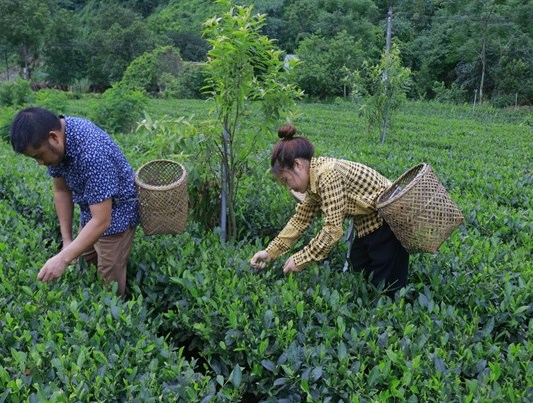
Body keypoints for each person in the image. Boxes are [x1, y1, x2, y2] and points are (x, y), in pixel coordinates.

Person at [250, 124, 409, 295]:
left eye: (286, 180)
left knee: (386, 288)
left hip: (388, 221)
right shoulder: (314, 181)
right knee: (359, 272)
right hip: (368, 224)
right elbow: (299, 221)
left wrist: (301, 259)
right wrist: (270, 252)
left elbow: (333, 230)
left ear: (297, 165)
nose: (289, 187)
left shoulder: (328, 175)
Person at [9, 107, 139, 297]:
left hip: (117, 212)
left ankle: (116, 311)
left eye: (39, 156)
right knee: (85, 263)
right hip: (91, 208)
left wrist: (62, 259)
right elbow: (61, 190)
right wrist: (67, 240)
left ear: (54, 137)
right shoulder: (57, 145)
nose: (40, 163)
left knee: (108, 273)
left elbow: (102, 220)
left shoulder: (93, 154)